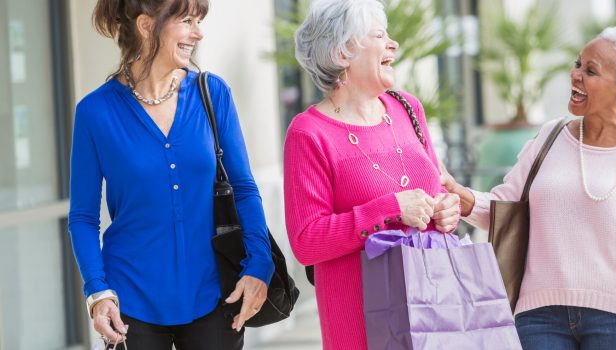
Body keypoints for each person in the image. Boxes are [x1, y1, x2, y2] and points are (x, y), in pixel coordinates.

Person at [441, 27, 616, 350]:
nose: (576, 75)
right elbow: (504, 207)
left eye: (591, 70)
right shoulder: (550, 137)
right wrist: (455, 191)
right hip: (539, 316)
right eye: (578, 64)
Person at [67, 0, 273, 348]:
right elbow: (83, 217)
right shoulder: (95, 112)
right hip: (132, 301)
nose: (198, 32)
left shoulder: (212, 94)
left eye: (199, 20)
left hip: (214, 292)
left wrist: (259, 263)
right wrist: (98, 291)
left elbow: (243, 188)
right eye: (187, 21)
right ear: (147, 26)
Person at [284, 0, 461, 348]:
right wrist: (390, 209)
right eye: (379, 35)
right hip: (361, 324)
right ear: (342, 53)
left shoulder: (407, 107)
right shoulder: (309, 133)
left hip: (433, 310)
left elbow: (436, 188)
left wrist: (446, 211)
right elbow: (306, 241)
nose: (393, 44)